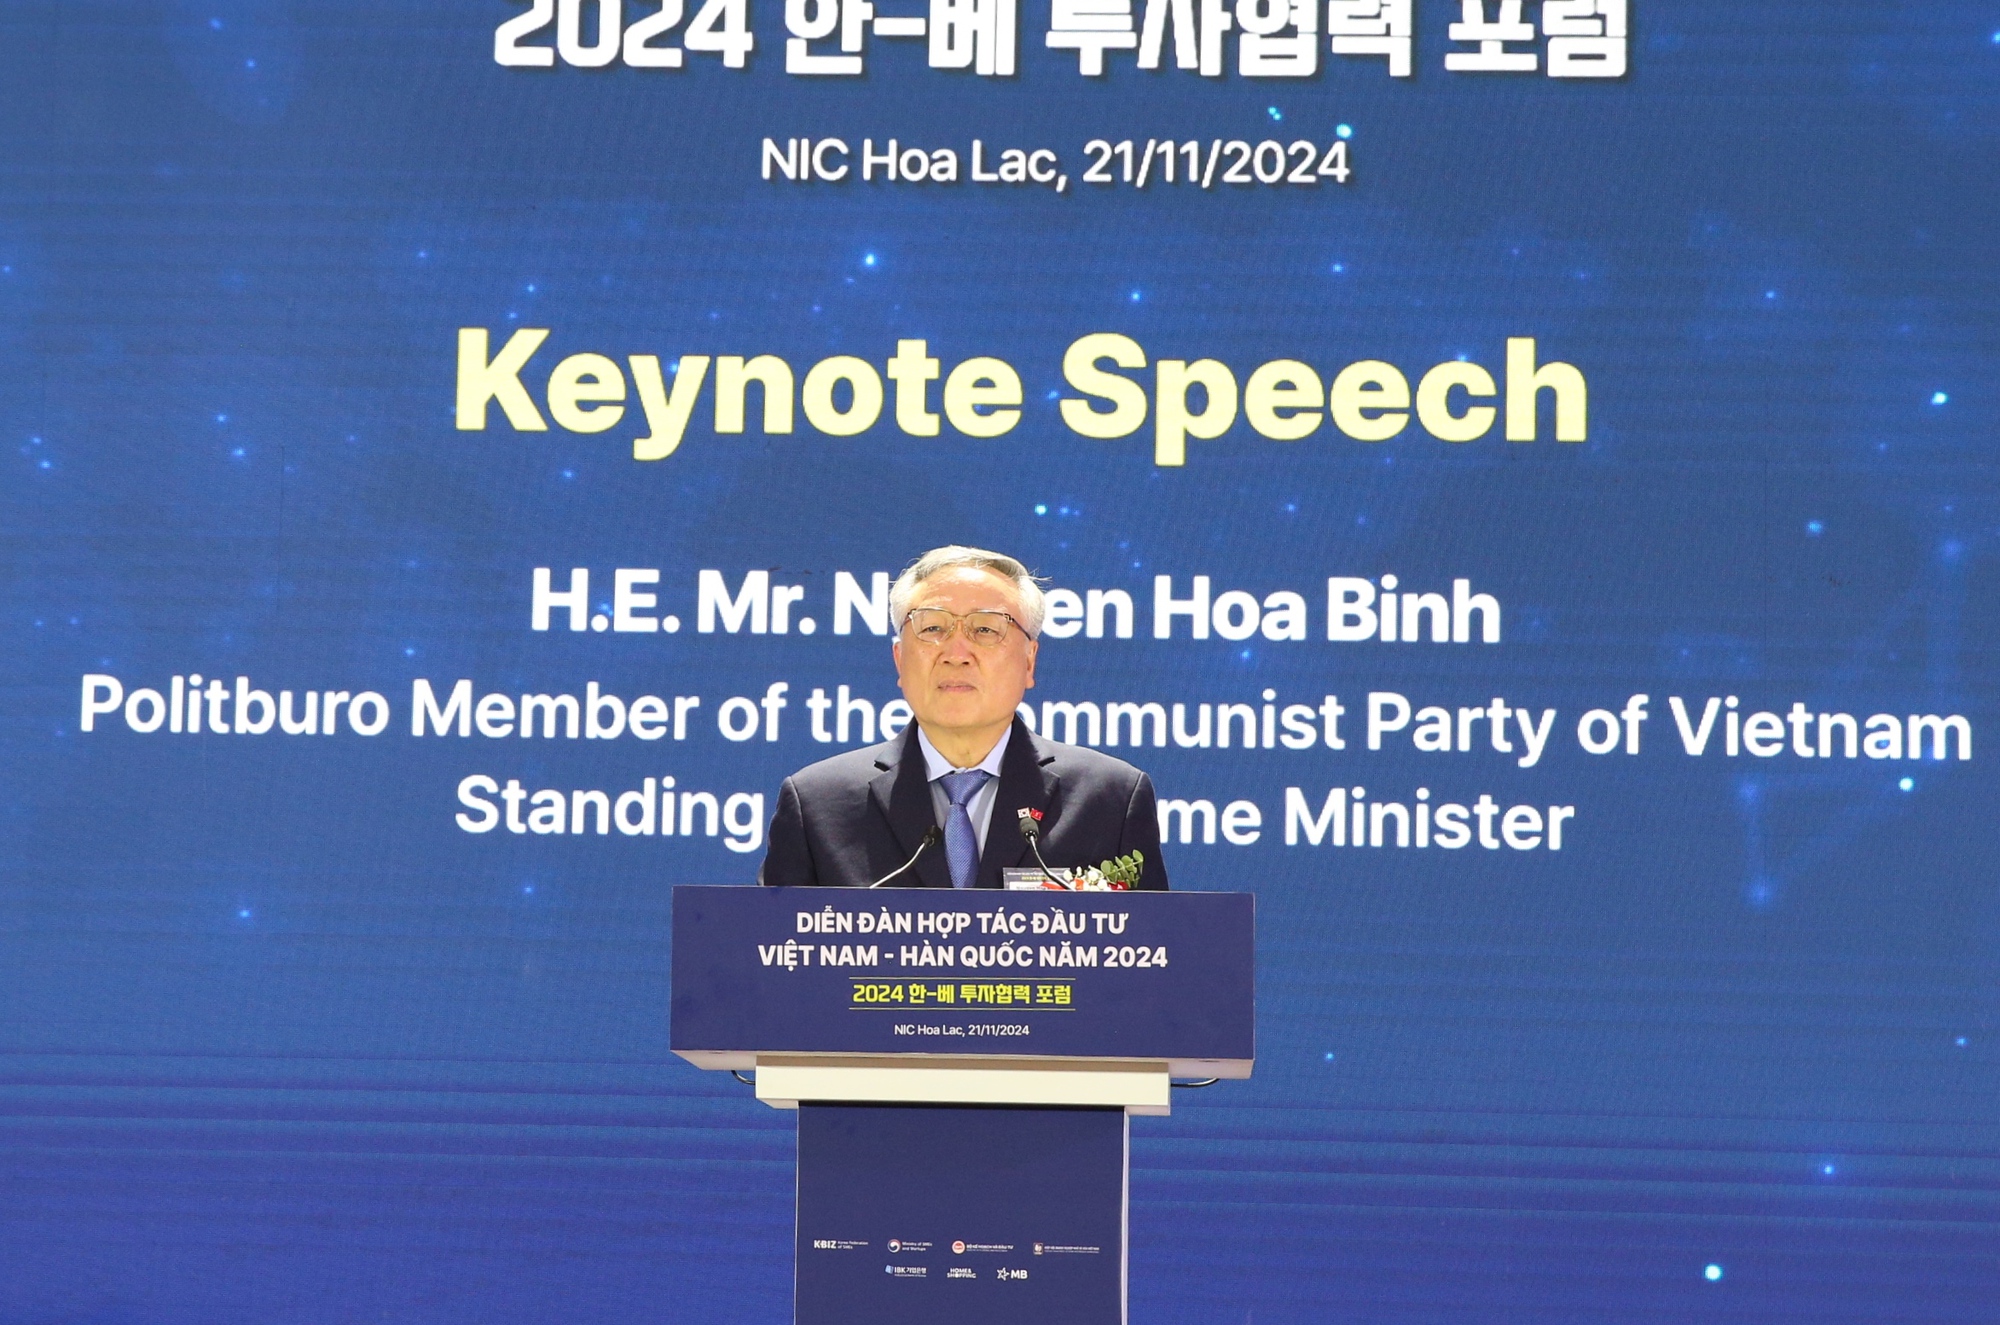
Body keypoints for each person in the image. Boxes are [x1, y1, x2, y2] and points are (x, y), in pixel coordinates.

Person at [758, 545, 1169, 890]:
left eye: (986, 630)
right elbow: (775, 951)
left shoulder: (1109, 800)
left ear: (1029, 661)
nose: (956, 653)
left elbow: (1147, 954)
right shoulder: (818, 804)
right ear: (899, 660)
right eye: (932, 628)